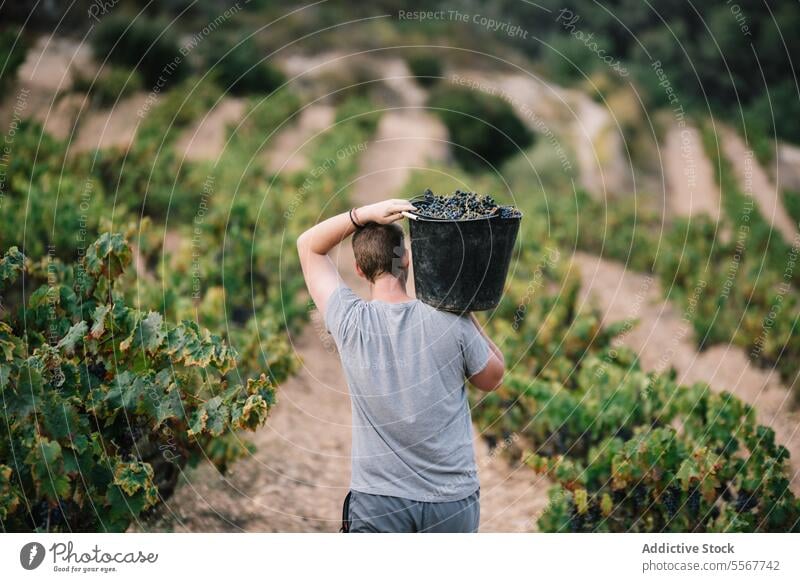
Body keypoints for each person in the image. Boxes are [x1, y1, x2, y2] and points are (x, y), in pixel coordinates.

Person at [296, 199, 505, 533]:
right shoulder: (450, 319)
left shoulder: (350, 321)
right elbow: (493, 377)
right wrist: (464, 307)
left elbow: (308, 245)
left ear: (360, 270)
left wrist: (362, 213)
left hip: (378, 501)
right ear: (407, 258)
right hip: (450, 502)